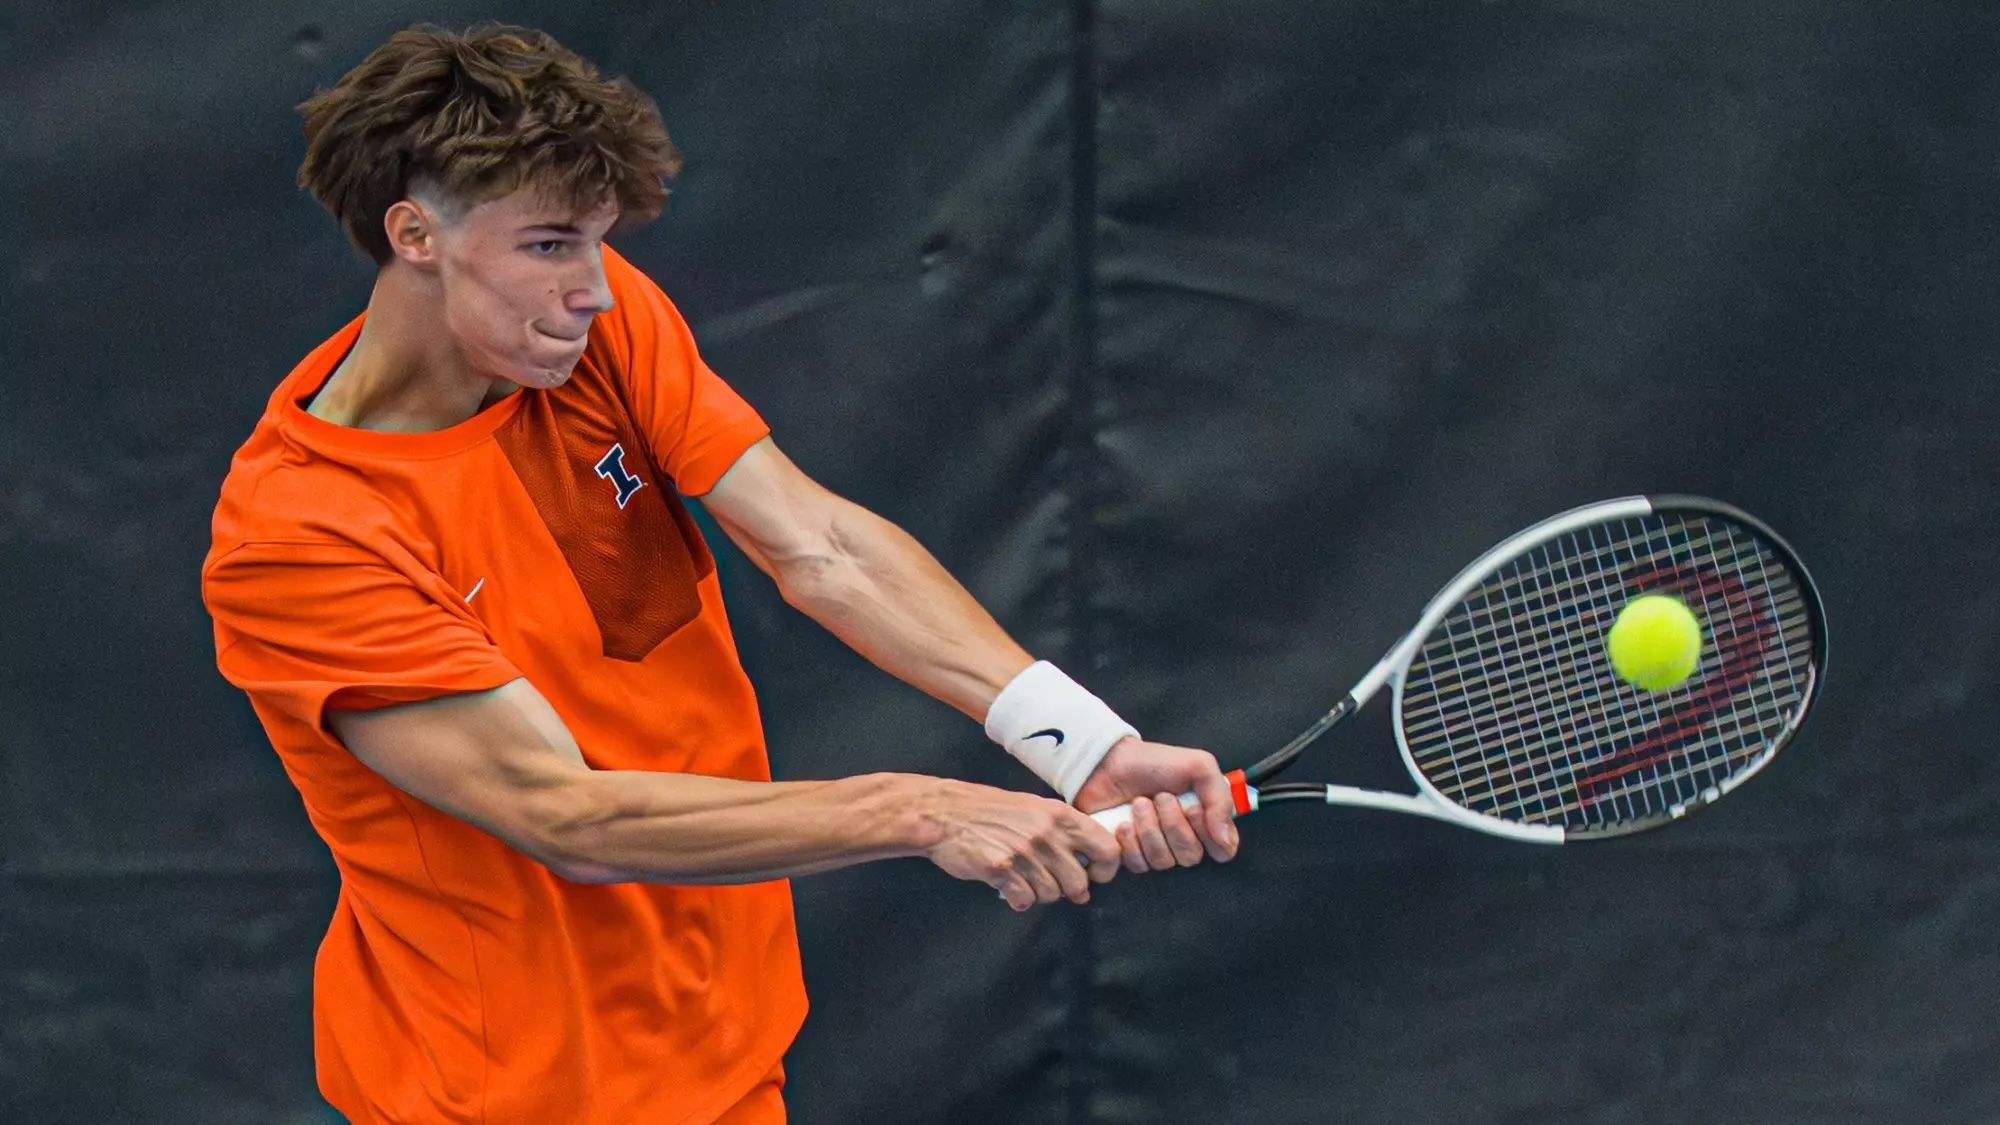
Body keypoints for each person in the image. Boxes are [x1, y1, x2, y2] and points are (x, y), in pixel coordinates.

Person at [200, 23, 1239, 1125]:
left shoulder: (591, 335)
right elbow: (568, 817)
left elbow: (819, 547)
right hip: (508, 1096)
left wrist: (1078, 744)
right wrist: (920, 808)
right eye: (549, 245)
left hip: (723, 1044)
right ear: (415, 234)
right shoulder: (300, 536)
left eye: (597, 241)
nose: (593, 288)